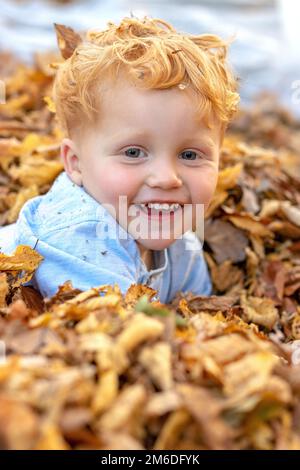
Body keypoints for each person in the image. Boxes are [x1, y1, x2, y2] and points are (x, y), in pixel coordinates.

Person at [0, 16, 239, 303]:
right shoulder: (81, 238)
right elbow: (111, 333)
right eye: (133, 153)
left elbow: (205, 318)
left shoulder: (183, 246)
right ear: (76, 163)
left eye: (189, 155)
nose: (166, 177)